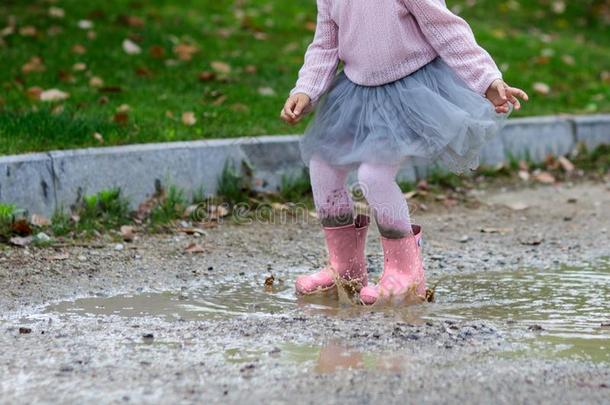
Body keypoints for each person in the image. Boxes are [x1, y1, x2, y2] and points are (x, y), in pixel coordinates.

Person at [280, 0, 528, 305]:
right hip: (356, 93)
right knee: (322, 165)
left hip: (409, 91)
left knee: (374, 176)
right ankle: (346, 270)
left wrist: (487, 79)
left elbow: (445, 28)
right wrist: (305, 90)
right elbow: (324, 45)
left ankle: (405, 272)